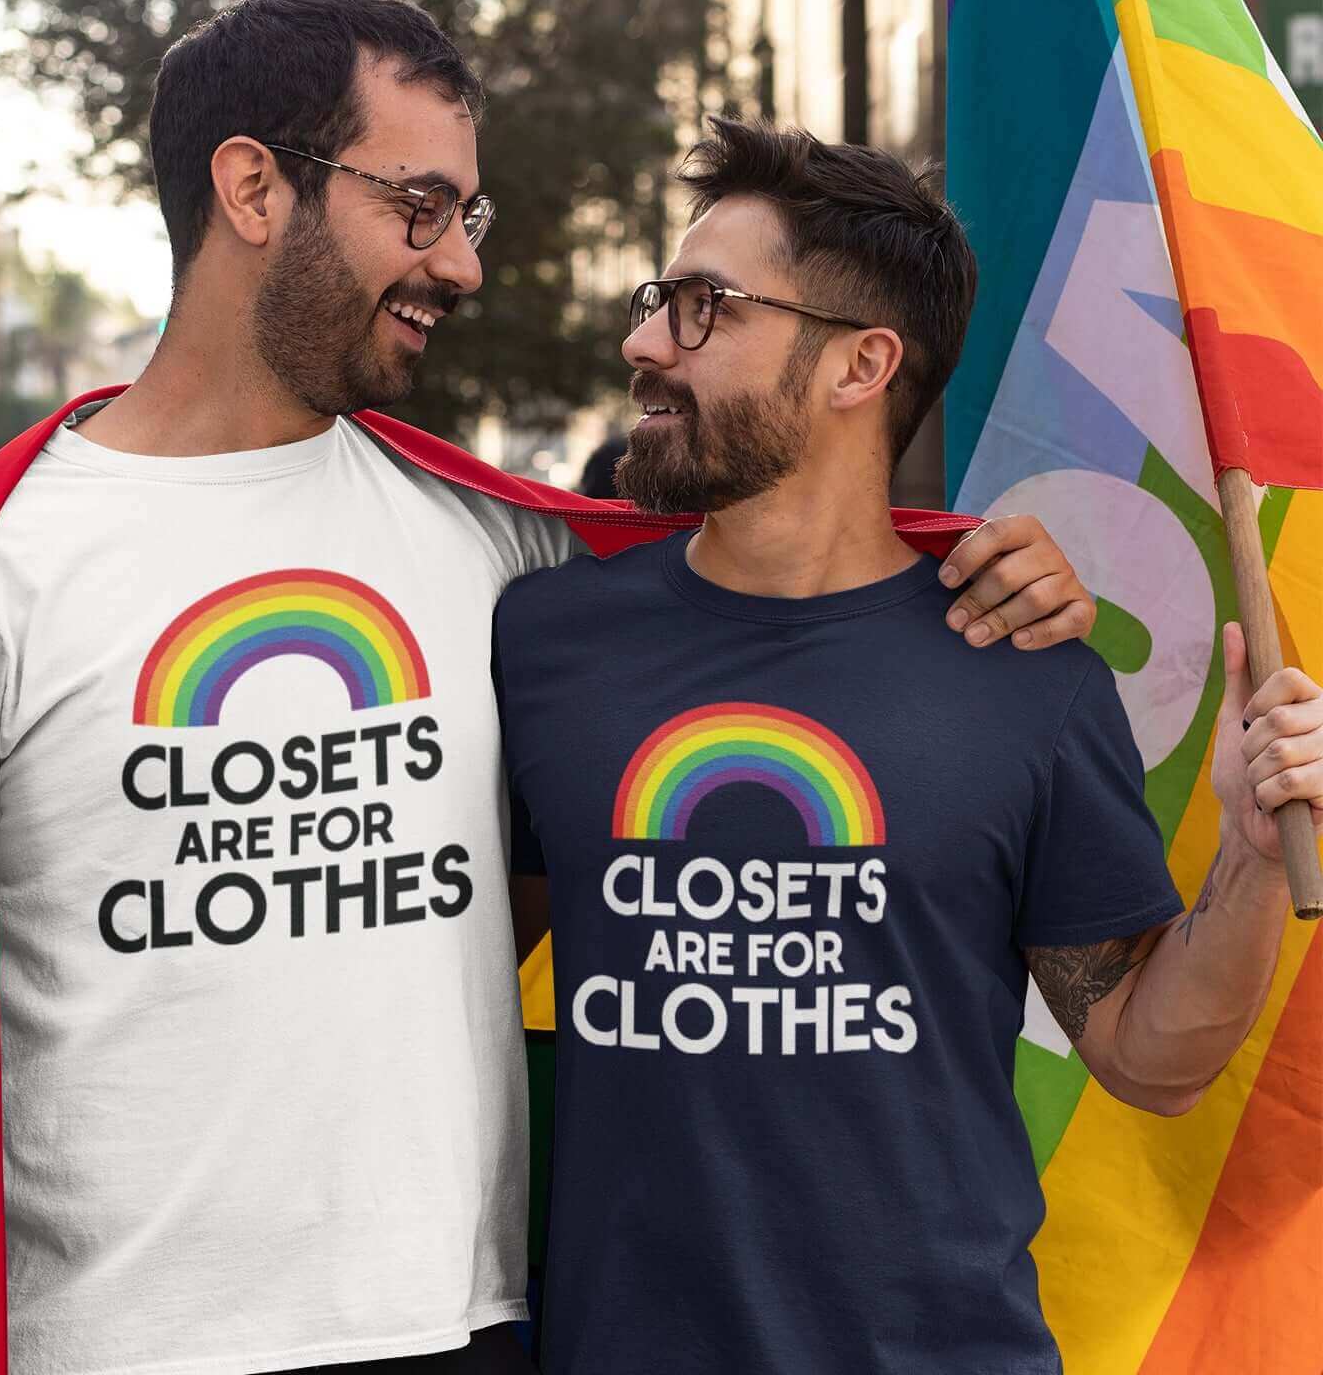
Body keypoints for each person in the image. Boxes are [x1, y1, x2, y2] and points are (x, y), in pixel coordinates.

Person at [0, 0, 1098, 1375]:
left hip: (464, 1334)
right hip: (106, 1346)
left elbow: (799, 565)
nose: (459, 265)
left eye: (471, 217)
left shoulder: (502, 546)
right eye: (421, 205)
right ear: (253, 188)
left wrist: (985, 566)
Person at [492, 117, 1323, 1375]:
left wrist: (1257, 859)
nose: (645, 344)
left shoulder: (1028, 675)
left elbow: (1151, 1061)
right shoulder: (543, 642)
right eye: (662, 299)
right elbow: (448, 981)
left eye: (706, 307)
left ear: (860, 365)